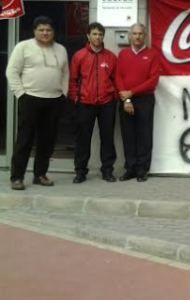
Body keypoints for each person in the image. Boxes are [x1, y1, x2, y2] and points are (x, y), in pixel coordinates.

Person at [5, 16, 69, 190]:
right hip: (30, 99)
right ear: (35, 31)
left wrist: (63, 93)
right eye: (41, 30)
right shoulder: (23, 47)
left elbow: (65, 74)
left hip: (54, 100)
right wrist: (21, 94)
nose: (45, 33)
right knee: (25, 140)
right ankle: (17, 177)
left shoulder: (61, 49)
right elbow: (12, 72)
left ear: (53, 31)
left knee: (47, 141)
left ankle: (40, 175)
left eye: (48, 30)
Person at [68, 22, 118, 183]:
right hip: (85, 103)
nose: (98, 37)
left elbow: (116, 79)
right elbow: (73, 80)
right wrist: (75, 97)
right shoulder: (79, 55)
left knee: (107, 138)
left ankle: (107, 170)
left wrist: (114, 96)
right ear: (88, 36)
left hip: (107, 103)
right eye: (95, 34)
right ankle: (80, 171)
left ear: (103, 36)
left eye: (100, 34)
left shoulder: (111, 57)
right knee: (83, 139)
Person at [116, 23, 160, 182]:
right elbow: (118, 77)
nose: (137, 37)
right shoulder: (123, 54)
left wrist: (132, 92)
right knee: (128, 135)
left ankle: (142, 169)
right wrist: (127, 98)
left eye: (140, 34)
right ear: (129, 36)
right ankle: (131, 168)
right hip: (126, 100)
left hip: (145, 100)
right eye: (134, 34)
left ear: (145, 36)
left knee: (144, 135)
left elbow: (153, 80)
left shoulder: (152, 54)